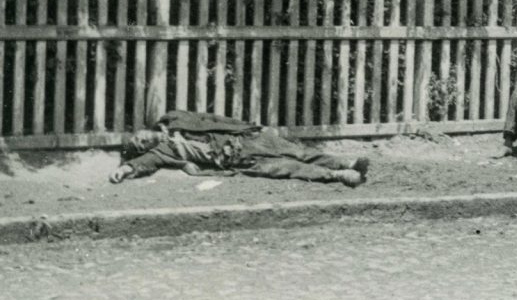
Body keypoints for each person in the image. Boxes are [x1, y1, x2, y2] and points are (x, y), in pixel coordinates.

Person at [110, 110, 370, 187]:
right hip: (236, 160)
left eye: (140, 136)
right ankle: (339, 176)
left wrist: (247, 127)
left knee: (298, 151)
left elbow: (212, 119)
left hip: (245, 139)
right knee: (287, 168)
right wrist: (124, 169)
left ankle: (345, 163)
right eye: (139, 145)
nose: (143, 141)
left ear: (144, 129)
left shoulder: (174, 119)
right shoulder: (161, 152)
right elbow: (142, 164)